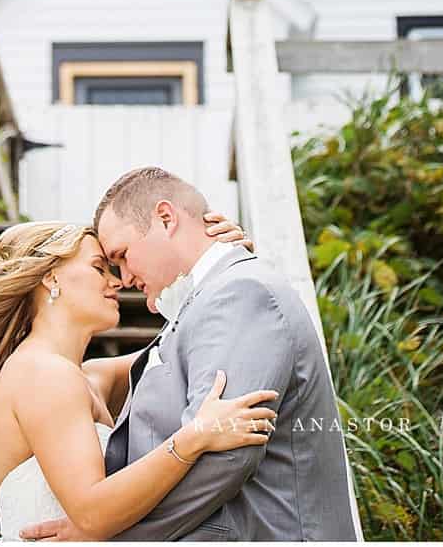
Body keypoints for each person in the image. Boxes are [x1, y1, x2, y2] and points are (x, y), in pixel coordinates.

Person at [19, 167, 358, 542]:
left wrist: (109, 535)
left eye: (123, 256)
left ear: (166, 218)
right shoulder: (207, 300)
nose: (124, 277)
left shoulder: (240, 293)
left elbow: (228, 454)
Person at [0, 211, 278, 541]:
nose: (117, 281)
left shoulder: (88, 377)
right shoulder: (43, 374)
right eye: (98, 267)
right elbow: (92, 515)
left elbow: (183, 343)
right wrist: (193, 438)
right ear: (51, 277)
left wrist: (217, 262)